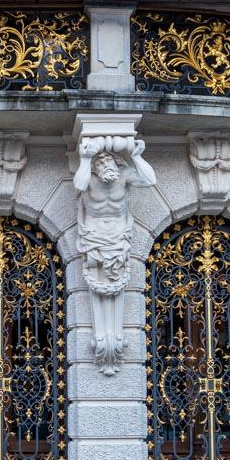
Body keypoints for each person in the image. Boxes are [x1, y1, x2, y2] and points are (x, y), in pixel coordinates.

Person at [74, 136, 157, 375]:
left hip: (119, 240)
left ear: (116, 162)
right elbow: (79, 185)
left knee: (114, 286)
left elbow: (150, 180)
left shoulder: (124, 176)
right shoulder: (88, 179)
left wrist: (137, 157)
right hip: (94, 240)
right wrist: (85, 159)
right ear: (94, 168)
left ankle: (113, 339)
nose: (105, 165)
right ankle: (103, 339)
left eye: (108, 160)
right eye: (100, 163)